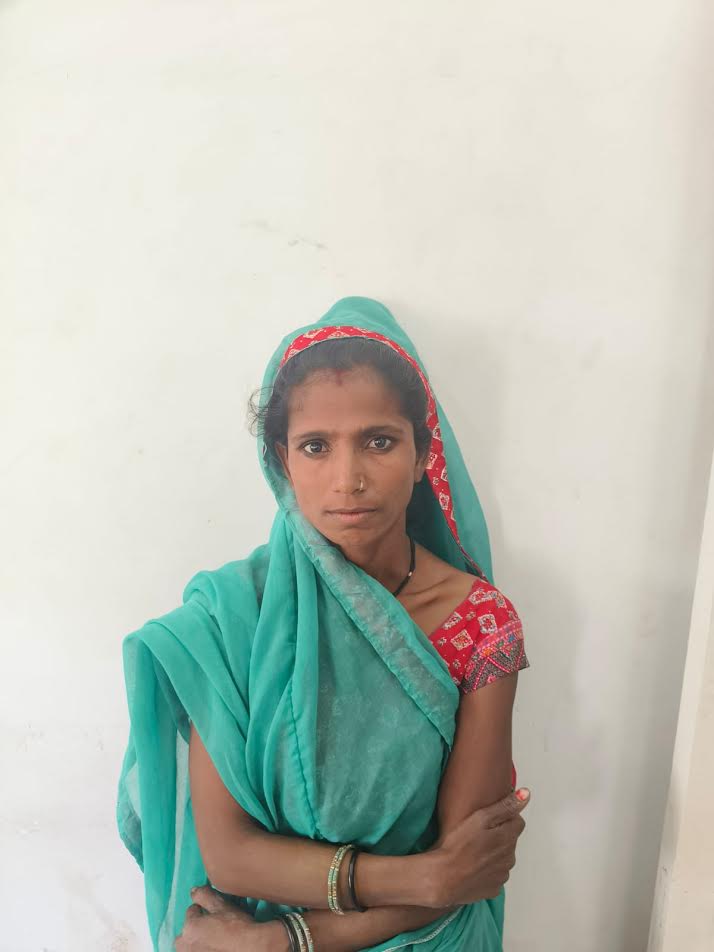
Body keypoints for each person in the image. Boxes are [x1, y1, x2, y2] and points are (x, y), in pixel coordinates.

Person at [117, 296, 532, 951]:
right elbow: (232, 857)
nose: (349, 478)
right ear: (282, 461)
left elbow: (466, 874)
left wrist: (279, 942)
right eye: (316, 446)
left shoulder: (479, 623)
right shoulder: (232, 619)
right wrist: (421, 877)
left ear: (423, 454)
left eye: (379, 441)